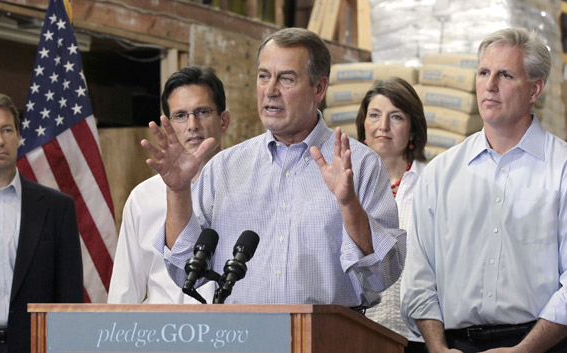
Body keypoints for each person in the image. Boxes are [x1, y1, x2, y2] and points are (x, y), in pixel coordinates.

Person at [143, 27, 406, 307]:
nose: (270, 91)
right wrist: (178, 191)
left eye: (286, 79)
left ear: (319, 88)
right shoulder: (224, 168)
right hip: (242, 339)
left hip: (328, 340)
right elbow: (186, 271)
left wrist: (348, 204)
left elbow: (382, 276)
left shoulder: (360, 164)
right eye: (263, 77)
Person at [401, 27, 567, 353]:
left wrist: (524, 351)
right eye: (483, 72)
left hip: (544, 345)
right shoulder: (440, 174)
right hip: (454, 346)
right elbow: (419, 278)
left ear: (535, 89)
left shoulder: (561, 169)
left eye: (505, 75)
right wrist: (437, 348)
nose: (489, 86)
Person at [0, 93, 83, 353]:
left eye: (6, 130)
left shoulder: (57, 208)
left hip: (36, 347)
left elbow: (69, 298)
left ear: (18, 136)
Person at [108, 66, 229, 304]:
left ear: (223, 121)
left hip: (231, 334)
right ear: (169, 125)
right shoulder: (143, 198)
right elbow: (124, 293)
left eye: (202, 112)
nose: (192, 124)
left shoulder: (250, 187)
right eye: (181, 115)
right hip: (161, 337)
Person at [356, 77, 427, 353]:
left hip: (418, 337)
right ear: (364, 124)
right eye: (374, 115)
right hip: (356, 331)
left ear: (412, 130)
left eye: (395, 117)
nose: (382, 126)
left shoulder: (430, 183)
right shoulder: (344, 184)